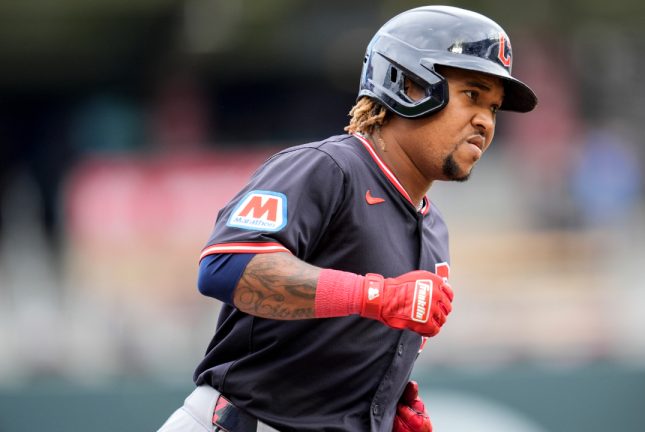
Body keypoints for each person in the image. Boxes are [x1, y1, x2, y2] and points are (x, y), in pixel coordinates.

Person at [158, 5, 537, 432]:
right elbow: (226, 267)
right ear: (409, 84)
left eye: (494, 107)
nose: (485, 121)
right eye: (472, 95)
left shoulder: (434, 230)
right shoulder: (328, 168)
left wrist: (381, 410)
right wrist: (374, 295)